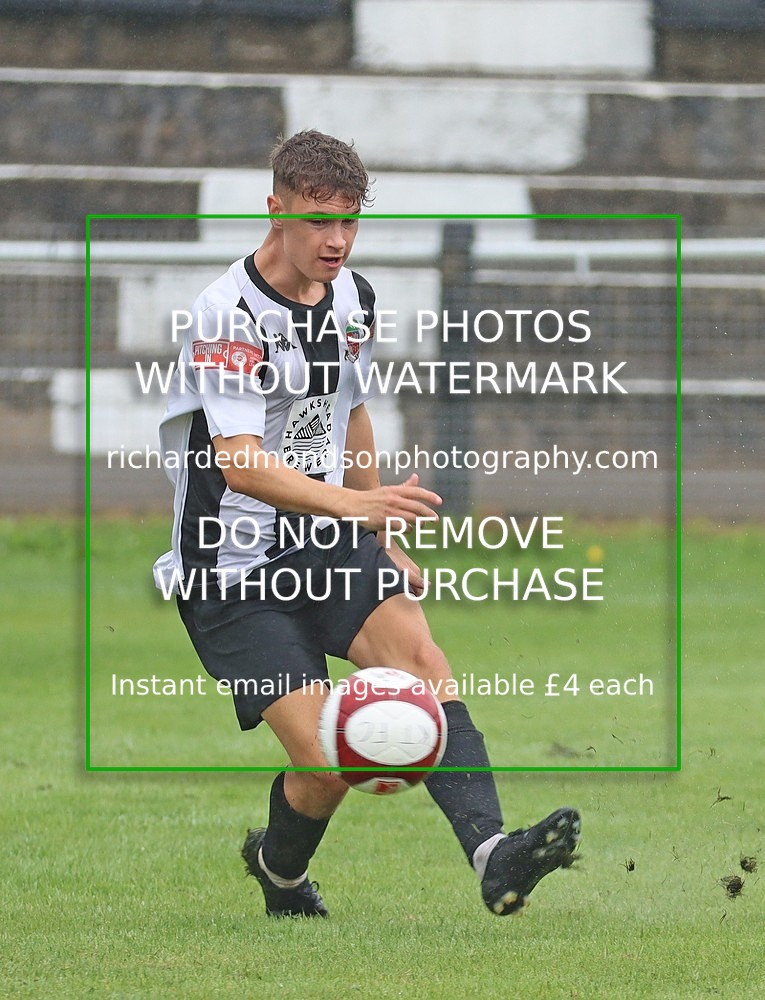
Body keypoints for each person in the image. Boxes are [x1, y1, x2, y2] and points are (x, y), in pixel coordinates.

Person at [153, 129, 580, 918]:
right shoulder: (227, 315)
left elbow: (348, 410)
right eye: (319, 221)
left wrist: (377, 530)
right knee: (323, 762)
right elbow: (241, 463)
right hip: (231, 566)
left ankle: (494, 854)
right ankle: (279, 876)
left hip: (325, 538)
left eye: (350, 221)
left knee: (421, 656)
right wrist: (357, 507)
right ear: (275, 211)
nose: (337, 241)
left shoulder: (353, 297)